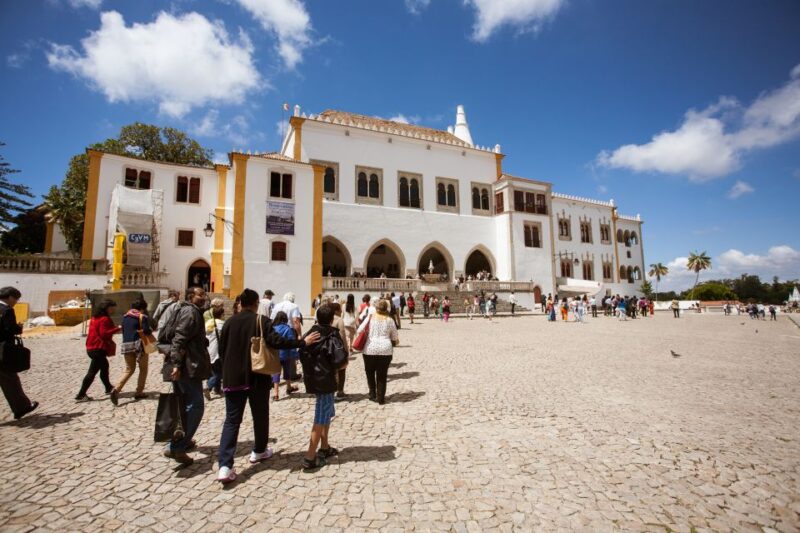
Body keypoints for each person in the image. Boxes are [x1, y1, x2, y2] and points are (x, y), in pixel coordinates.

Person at [216, 289, 319, 483]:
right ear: (256, 303)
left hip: (233, 379)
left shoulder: (229, 322)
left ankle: (224, 465)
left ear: (240, 303)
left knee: (231, 421)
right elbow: (278, 342)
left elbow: (222, 350)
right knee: (260, 416)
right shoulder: (261, 322)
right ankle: (259, 450)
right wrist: (301, 342)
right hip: (257, 377)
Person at [162, 287, 212, 466]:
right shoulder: (190, 312)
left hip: (185, 365)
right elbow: (179, 338)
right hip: (187, 367)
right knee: (196, 405)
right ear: (191, 297)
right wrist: (176, 364)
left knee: (183, 406)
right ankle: (177, 446)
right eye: (201, 295)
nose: (204, 297)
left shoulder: (186, 310)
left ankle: (182, 439)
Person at [299, 304, 348, 471]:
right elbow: (341, 360)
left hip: (313, 378)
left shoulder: (310, 333)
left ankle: (325, 447)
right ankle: (310, 457)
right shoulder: (332, 335)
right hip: (326, 380)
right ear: (332, 319)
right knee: (321, 416)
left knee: (327, 412)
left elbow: (302, 352)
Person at [0, 287, 38, 419]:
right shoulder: (7, 310)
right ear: (10, 297)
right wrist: (19, 327)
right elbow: (10, 329)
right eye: (16, 298)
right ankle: (21, 407)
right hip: (3, 350)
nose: (16, 302)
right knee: (10, 380)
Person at [77, 299, 120, 402]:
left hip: (91, 347)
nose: (113, 310)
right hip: (98, 348)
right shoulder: (104, 319)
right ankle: (81, 394)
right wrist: (118, 328)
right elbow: (104, 334)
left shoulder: (94, 318)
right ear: (106, 308)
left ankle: (108, 387)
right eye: (111, 308)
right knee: (92, 372)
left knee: (104, 367)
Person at [356, 299, 398, 405]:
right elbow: (395, 337)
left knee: (369, 372)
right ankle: (381, 398)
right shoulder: (390, 320)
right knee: (382, 375)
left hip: (370, 349)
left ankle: (372, 394)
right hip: (385, 350)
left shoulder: (371, 318)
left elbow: (359, 330)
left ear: (376, 308)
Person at [110, 299, 151, 405]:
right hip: (139, 346)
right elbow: (147, 331)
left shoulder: (125, 317)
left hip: (126, 346)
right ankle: (139, 391)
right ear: (142, 308)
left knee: (129, 369)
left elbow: (123, 330)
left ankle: (116, 389)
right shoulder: (143, 317)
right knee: (143, 369)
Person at [272, 311, 299, 401]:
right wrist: (295, 355)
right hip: (286, 354)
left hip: (275, 354)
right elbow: (292, 343)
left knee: (276, 372)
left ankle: (276, 393)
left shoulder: (273, 328)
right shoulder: (288, 329)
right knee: (287, 371)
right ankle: (288, 387)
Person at [205, 304, 225, 399]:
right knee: (218, 372)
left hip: (209, 349)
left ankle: (217, 389)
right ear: (222, 314)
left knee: (213, 369)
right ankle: (208, 387)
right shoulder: (222, 324)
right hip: (218, 351)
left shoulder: (209, 322)